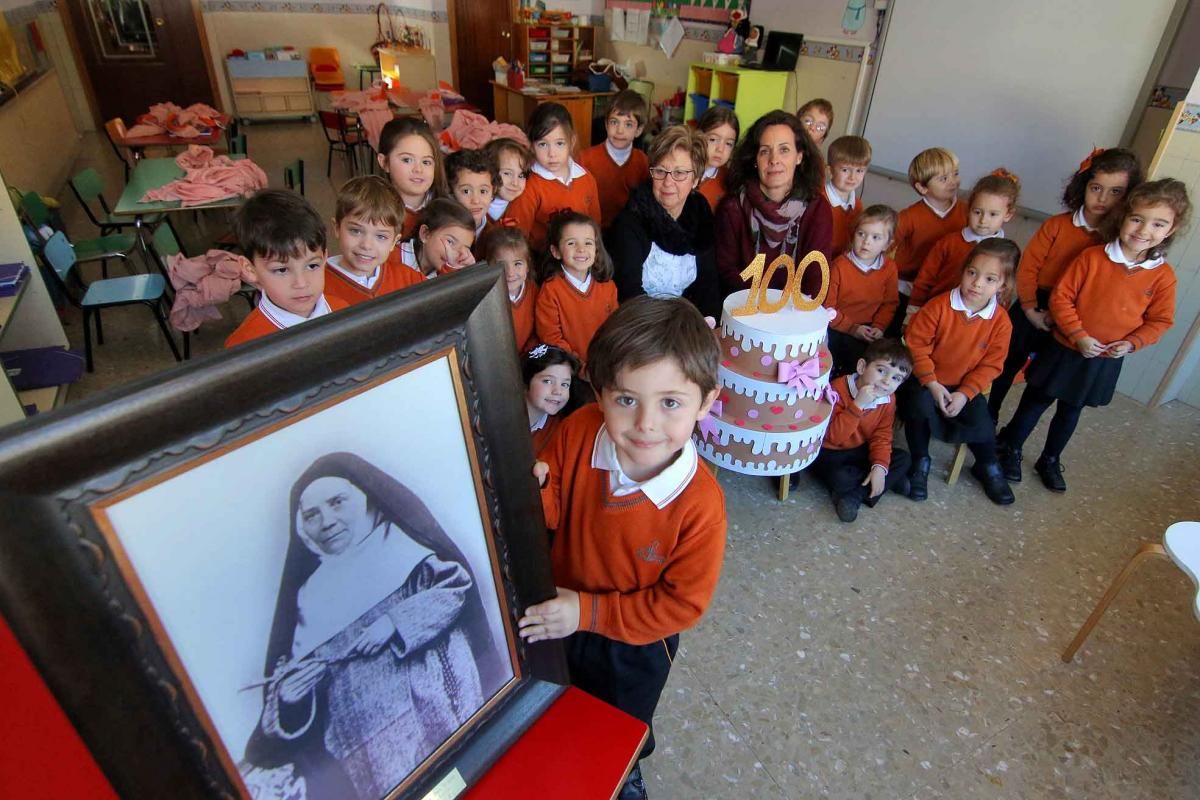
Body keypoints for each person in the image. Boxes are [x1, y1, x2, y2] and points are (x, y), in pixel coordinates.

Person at [519, 296, 726, 800]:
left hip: (633, 643)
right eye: (626, 399)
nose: (646, 424)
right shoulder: (580, 428)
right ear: (600, 391)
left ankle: (625, 768)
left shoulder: (701, 506)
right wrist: (534, 486)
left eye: (671, 402)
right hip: (558, 607)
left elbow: (680, 605)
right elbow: (553, 505)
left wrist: (587, 612)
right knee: (555, 698)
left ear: (706, 401)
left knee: (622, 719)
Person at [243, 453, 508, 800]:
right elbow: (294, 698)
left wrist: (395, 623)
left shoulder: (402, 547)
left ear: (365, 498)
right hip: (358, 746)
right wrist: (292, 698)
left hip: (435, 712)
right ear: (300, 528)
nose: (326, 521)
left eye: (337, 502)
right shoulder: (307, 598)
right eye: (311, 515)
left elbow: (455, 588)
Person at [997, 179, 1187, 492]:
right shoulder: (1092, 257)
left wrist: (1132, 343)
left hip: (1103, 360)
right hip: (1064, 348)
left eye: (1158, 224)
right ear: (1123, 217)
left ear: (1170, 229)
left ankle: (1050, 458)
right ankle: (1010, 447)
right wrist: (1078, 335)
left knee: (1071, 411)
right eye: (1137, 219)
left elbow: (1160, 320)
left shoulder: (1164, 276)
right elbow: (1061, 298)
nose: (1143, 231)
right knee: (1035, 400)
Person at [988, 148, 1142, 422]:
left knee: (1040, 383)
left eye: (1116, 192)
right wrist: (1031, 309)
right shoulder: (1057, 225)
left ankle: (1012, 438)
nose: (1103, 199)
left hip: (1073, 315)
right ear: (1084, 186)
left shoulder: (1118, 241)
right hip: (1034, 305)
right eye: (1096, 188)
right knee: (1006, 364)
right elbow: (1028, 269)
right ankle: (989, 415)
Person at [900, 238, 1019, 506]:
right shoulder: (939, 306)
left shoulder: (1000, 322)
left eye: (989, 279)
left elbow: (992, 365)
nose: (977, 283)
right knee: (917, 408)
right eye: (972, 273)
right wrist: (932, 383)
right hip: (926, 381)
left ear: (1002, 285)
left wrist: (965, 394)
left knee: (983, 423)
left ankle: (988, 466)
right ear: (963, 271)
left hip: (964, 388)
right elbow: (916, 346)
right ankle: (920, 460)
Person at [606, 126, 721, 319]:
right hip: (639, 325)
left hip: (686, 323)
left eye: (679, 173)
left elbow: (708, 284)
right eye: (660, 171)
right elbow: (629, 295)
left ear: (696, 179)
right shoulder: (630, 221)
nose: (668, 182)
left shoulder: (700, 212)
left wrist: (708, 324)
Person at [715, 110, 832, 297]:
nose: (774, 160)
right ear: (755, 160)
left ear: (799, 156)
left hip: (794, 315)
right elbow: (727, 274)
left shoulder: (817, 209)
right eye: (765, 151)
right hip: (744, 308)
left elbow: (816, 278)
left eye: (784, 150)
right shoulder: (732, 208)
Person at [225, 190, 346, 348]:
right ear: (250, 269)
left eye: (312, 266)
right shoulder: (243, 347)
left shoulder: (343, 310)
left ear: (324, 259)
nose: (301, 283)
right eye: (282, 270)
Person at [812, 338, 913, 522]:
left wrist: (880, 467)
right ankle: (880, 485)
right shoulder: (837, 388)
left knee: (903, 458)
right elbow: (834, 437)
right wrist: (857, 405)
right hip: (830, 451)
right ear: (861, 367)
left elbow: (882, 436)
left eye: (896, 378)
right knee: (840, 477)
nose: (886, 382)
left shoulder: (888, 400)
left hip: (859, 448)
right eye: (881, 370)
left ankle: (855, 495)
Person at [908, 168, 1019, 311]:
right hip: (935, 312)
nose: (983, 220)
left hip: (973, 323)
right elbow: (924, 279)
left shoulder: (1006, 254)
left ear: (1008, 214)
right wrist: (912, 310)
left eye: (993, 214)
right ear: (968, 209)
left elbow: (1004, 293)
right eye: (977, 212)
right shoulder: (949, 242)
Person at [503, 103, 602, 254]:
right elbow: (516, 239)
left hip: (579, 257)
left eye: (559, 143)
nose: (552, 153)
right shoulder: (529, 185)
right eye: (543, 144)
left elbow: (595, 227)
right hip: (542, 259)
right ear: (531, 146)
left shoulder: (586, 178)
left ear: (572, 141)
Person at [890, 147, 967, 333]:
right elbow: (884, 248)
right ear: (922, 187)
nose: (953, 182)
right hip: (908, 287)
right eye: (943, 179)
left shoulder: (967, 211)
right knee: (898, 331)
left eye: (955, 174)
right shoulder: (908, 216)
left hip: (945, 286)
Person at [534, 211, 618, 374]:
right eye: (572, 243)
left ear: (596, 249)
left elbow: (615, 329)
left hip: (605, 365)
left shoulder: (608, 286)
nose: (581, 249)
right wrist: (580, 368)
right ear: (556, 251)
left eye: (588, 243)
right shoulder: (550, 291)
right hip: (570, 369)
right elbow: (551, 338)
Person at [323, 176, 422, 307]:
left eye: (381, 236)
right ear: (337, 228)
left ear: (394, 241)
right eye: (356, 231)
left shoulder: (409, 279)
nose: (366, 245)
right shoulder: (316, 287)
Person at [825, 205, 900, 375]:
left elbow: (889, 304)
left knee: (866, 366)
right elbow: (828, 307)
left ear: (887, 244)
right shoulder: (839, 266)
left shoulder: (889, 268)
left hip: (868, 329)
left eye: (876, 237)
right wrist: (852, 328)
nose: (866, 241)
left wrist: (879, 327)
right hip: (837, 325)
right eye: (861, 234)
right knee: (830, 361)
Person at [578, 90, 650, 228]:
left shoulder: (643, 162)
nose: (620, 131)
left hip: (628, 231)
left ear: (639, 130)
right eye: (614, 122)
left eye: (628, 124)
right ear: (606, 124)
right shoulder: (585, 159)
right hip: (591, 231)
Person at [376, 117, 446, 241]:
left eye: (426, 162)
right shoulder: (373, 212)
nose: (418, 169)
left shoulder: (448, 211)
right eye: (407, 160)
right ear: (384, 162)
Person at [481, 226, 538, 352]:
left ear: (527, 266)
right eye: (501, 265)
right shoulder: (484, 299)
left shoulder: (535, 292)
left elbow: (538, 331)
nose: (510, 273)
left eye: (518, 264)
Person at [396, 199, 477, 278]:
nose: (456, 254)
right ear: (425, 234)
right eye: (450, 242)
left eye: (466, 248)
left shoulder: (447, 270)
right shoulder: (392, 258)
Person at [523, 343, 579, 456]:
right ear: (526, 381)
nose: (558, 391)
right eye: (547, 381)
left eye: (565, 384)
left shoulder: (558, 429)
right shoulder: (502, 416)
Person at [824, 135, 871, 255]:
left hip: (842, 263)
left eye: (859, 171)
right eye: (845, 170)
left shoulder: (858, 205)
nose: (852, 177)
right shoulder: (819, 201)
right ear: (830, 171)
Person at [444, 148, 498, 250]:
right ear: (450, 192)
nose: (476, 200)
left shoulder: (495, 236)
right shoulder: (441, 233)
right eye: (466, 191)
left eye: (483, 191)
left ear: (493, 190)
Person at [696, 105, 739, 212]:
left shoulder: (729, 181)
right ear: (698, 136)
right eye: (713, 139)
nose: (720, 149)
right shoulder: (681, 168)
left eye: (729, 143)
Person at [483, 137, 532, 225]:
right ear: (488, 170)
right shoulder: (476, 206)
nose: (515, 183)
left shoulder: (522, 205)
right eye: (507, 173)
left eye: (521, 176)